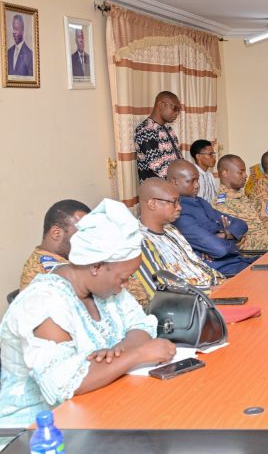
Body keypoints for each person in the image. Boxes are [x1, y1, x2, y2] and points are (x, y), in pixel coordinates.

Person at [0, 199, 176, 427]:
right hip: (38, 428)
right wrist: (137, 354)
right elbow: (66, 383)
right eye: (123, 278)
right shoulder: (44, 303)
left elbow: (140, 324)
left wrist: (118, 353)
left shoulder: (105, 289)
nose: (126, 284)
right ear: (96, 266)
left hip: (99, 405)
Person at [134, 177, 223, 300]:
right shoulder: (139, 242)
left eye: (179, 201)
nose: (179, 207)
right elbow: (161, 291)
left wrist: (222, 282)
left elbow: (195, 264)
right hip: (194, 303)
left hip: (214, 291)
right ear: (152, 204)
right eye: (173, 202)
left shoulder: (172, 230)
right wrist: (212, 290)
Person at [166, 160, 252, 276]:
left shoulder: (200, 202)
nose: (197, 185)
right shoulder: (178, 212)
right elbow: (220, 249)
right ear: (174, 182)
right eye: (191, 181)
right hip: (224, 272)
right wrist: (232, 239)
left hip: (238, 261)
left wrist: (224, 235)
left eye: (197, 180)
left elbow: (241, 224)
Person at [214, 154, 268, 250]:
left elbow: (260, 228)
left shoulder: (240, 197)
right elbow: (238, 243)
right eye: (241, 172)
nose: (246, 175)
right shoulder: (223, 205)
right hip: (258, 253)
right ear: (226, 174)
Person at [20, 200, 90, 290]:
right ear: (56, 233)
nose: (89, 240)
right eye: (82, 233)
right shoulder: (41, 273)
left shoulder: (68, 259)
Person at [135, 91, 183, 181]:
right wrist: (181, 179)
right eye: (175, 108)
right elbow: (157, 165)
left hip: (173, 185)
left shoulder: (169, 129)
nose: (177, 113)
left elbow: (178, 158)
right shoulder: (146, 130)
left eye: (179, 110)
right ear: (161, 105)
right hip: (156, 187)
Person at [189, 139, 219, 204]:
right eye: (210, 154)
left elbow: (216, 198)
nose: (214, 157)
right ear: (198, 156)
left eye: (213, 154)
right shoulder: (191, 175)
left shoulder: (209, 175)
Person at [6, 13, 33, 77]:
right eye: (13, 29)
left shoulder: (29, 54)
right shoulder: (8, 52)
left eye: (16, 29)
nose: (14, 32)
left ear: (22, 30)